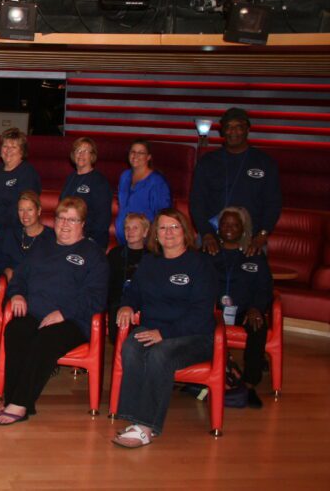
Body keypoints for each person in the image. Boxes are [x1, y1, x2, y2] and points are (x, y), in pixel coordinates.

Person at [0, 197, 107, 426]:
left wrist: (63, 313)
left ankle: (19, 403)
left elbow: (96, 297)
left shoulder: (93, 254)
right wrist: (17, 294)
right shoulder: (42, 247)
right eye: (61, 218)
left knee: (45, 339)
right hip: (35, 313)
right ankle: (15, 400)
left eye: (72, 220)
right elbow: (19, 276)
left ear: (83, 223)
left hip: (72, 320)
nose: (65, 224)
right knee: (16, 329)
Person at [112, 208, 218, 448]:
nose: (168, 232)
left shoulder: (200, 264)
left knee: (160, 354)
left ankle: (146, 427)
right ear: (155, 234)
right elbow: (133, 293)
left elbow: (201, 314)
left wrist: (164, 334)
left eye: (174, 227)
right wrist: (127, 306)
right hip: (154, 329)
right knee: (131, 346)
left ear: (185, 232)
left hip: (194, 336)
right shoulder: (150, 262)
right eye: (163, 227)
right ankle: (133, 419)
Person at [191, 107, 282, 257]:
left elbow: (273, 203)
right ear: (222, 131)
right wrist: (206, 233)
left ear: (247, 129)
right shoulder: (207, 162)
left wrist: (262, 234)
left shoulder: (265, 163)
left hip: (251, 239)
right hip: (212, 237)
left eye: (238, 126)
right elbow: (197, 202)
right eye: (228, 127)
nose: (233, 131)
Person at [209, 206, 272, 408]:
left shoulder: (254, 254)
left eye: (234, 225)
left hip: (244, 311)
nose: (229, 228)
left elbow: (265, 287)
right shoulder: (208, 253)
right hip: (214, 311)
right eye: (225, 224)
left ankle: (249, 384)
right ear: (218, 227)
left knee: (257, 325)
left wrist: (256, 307)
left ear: (243, 229)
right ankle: (205, 377)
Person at [0, 128, 42, 258]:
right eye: (5, 146)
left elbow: (22, 208)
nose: (8, 150)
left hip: (11, 235)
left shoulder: (28, 174)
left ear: (22, 151)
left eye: (14, 147)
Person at [59, 137, 113, 247]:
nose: (81, 154)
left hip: (90, 239)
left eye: (86, 151)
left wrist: (86, 239)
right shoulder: (70, 178)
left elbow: (103, 219)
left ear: (92, 156)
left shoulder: (99, 181)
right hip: (69, 235)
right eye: (78, 150)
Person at [115, 139, 171, 245]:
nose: (135, 155)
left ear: (148, 157)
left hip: (145, 242)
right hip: (124, 240)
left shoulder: (157, 182)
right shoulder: (125, 176)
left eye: (141, 153)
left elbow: (162, 215)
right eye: (133, 152)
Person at [105, 213, 150, 343]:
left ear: (145, 232)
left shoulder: (152, 256)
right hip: (117, 302)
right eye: (127, 228)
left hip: (144, 303)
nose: (130, 231)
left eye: (135, 228)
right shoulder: (114, 254)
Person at [0, 191, 54, 282]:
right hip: (14, 285)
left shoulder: (51, 237)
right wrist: (6, 270)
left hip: (40, 285)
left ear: (39, 211)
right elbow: (1, 261)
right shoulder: (12, 233)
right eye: (21, 210)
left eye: (30, 210)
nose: (25, 215)